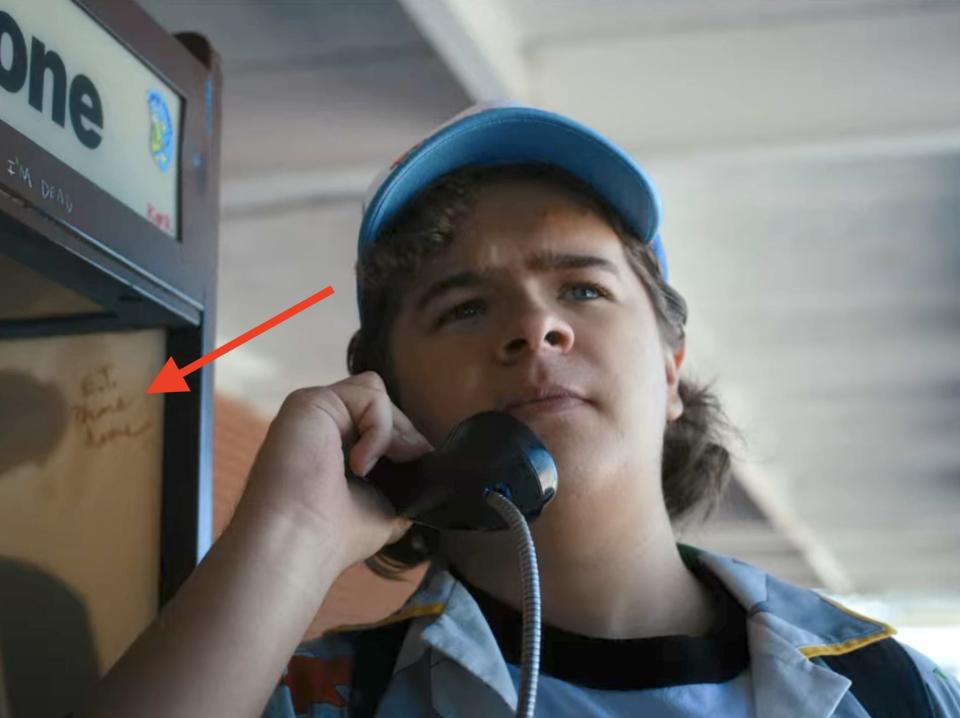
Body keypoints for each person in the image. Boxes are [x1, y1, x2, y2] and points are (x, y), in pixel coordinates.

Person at [77, 103, 960, 718]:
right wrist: (290, 536)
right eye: (464, 308)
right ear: (387, 394)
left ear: (670, 369)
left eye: (581, 286)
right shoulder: (330, 699)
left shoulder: (893, 690)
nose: (536, 326)